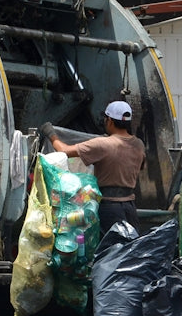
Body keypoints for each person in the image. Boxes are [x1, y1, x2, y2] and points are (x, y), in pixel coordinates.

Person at [40, 100, 145, 237]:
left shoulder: (102, 144)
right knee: (129, 249)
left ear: (110, 121)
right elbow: (140, 166)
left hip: (108, 208)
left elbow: (64, 150)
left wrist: (51, 133)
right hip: (129, 207)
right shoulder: (139, 144)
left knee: (109, 250)